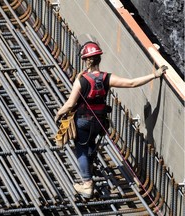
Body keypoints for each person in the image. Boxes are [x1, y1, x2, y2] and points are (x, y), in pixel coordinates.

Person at [54, 41, 168, 198]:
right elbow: (132, 83)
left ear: (86, 60)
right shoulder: (107, 78)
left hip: (83, 121)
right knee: (91, 143)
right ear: (99, 59)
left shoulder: (81, 81)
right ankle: (90, 167)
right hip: (100, 122)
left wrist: (58, 114)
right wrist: (154, 75)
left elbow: (70, 104)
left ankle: (87, 184)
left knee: (81, 149)